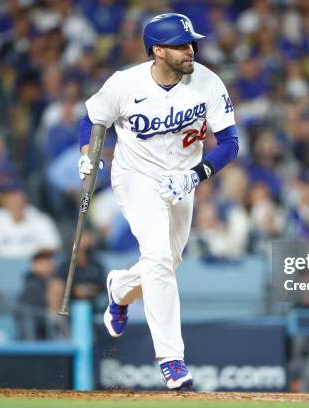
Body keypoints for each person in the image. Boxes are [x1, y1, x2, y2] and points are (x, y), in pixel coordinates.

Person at [77, 13, 239, 389]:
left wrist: (195, 175)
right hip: (136, 177)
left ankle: (120, 289)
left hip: (183, 178)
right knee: (159, 258)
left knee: (169, 259)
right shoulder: (125, 84)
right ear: (157, 50)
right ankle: (172, 360)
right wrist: (88, 151)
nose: (191, 50)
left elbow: (230, 144)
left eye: (191, 43)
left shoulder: (208, 83)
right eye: (182, 45)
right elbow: (92, 117)